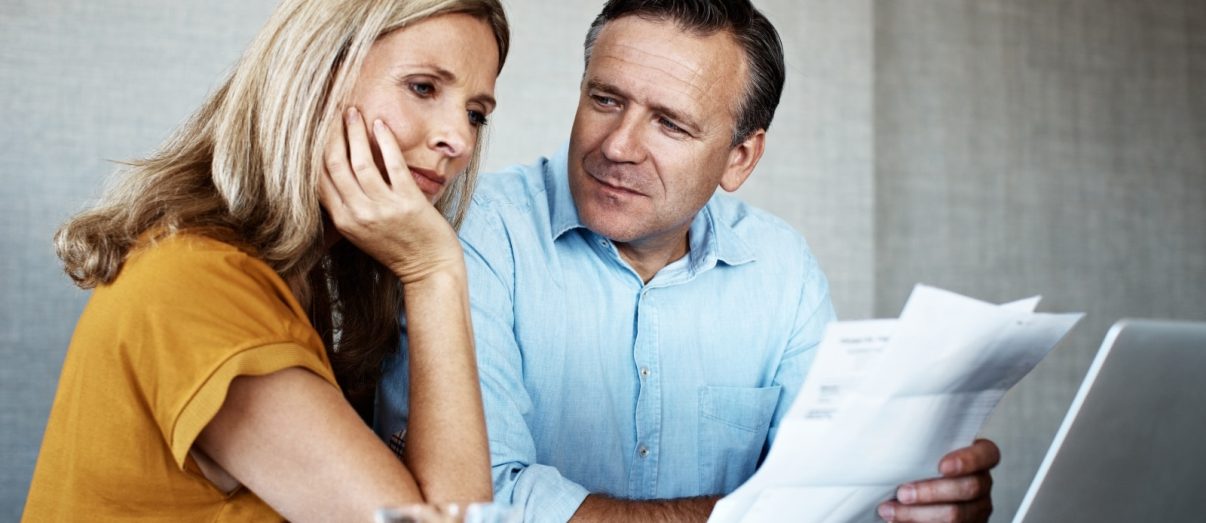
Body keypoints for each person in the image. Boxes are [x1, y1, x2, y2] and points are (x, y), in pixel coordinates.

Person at [375, 1, 999, 522]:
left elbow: (831, 489)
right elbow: (482, 504)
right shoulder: (471, 229)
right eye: (605, 99)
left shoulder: (782, 269)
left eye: (671, 125)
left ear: (740, 159)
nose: (618, 146)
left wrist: (913, 501)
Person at [24, 1, 509, 521]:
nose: (457, 139)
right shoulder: (195, 286)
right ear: (314, 77)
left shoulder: (291, 284)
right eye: (423, 87)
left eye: (475, 114)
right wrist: (434, 272)